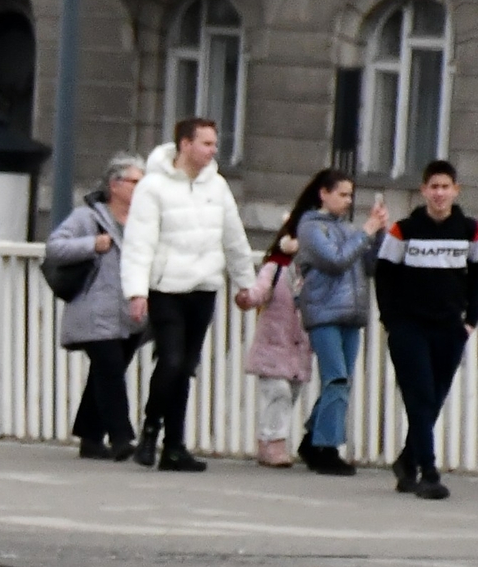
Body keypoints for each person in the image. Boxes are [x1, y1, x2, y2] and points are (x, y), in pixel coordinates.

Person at [119, 118, 259, 472]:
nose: (214, 150)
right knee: (171, 360)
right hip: (166, 287)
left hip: (203, 286)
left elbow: (234, 237)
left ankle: (175, 445)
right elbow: (139, 242)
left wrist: (247, 284)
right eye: (207, 143)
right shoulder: (153, 187)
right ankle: (151, 431)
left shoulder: (218, 186)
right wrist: (136, 291)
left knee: (186, 367)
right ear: (185, 144)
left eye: (214, 144)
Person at [372, 160, 478, 501]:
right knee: (420, 396)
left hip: (450, 327)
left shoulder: (471, 230)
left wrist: (471, 320)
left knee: (434, 399)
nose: (439, 193)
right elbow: (384, 274)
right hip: (409, 326)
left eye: (445, 187)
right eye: (433, 187)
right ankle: (429, 470)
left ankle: (408, 461)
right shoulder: (403, 230)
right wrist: (391, 320)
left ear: (456, 190)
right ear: (423, 191)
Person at [45, 153, 146, 460]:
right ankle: (121, 438)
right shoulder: (87, 218)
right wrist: (91, 244)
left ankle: (90, 438)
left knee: (104, 373)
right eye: (135, 182)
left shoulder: (145, 221)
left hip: (131, 312)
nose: (142, 188)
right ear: (115, 185)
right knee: (111, 371)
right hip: (95, 308)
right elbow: (55, 246)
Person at [288, 169, 388, 475]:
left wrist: (379, 234)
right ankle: (327, 447)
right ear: (324, 193)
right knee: (336, 379)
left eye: (349, 196)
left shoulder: (346, 228)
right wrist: (366, 232)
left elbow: (369, 265)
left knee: (342, 381)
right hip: (324, 312)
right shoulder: (310, 227)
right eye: (341, 194)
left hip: (351, 313)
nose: (346, 201)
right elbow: (335, 260)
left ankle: (313, 437)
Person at [243, 228, 310, 466]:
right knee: (278, 391)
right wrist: (248, 297)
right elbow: (259, 291)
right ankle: (276, 443)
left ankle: (265, 439)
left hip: (299, 345)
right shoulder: (274, 268)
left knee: (290, 393)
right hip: (273, 343)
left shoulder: (311, 271)